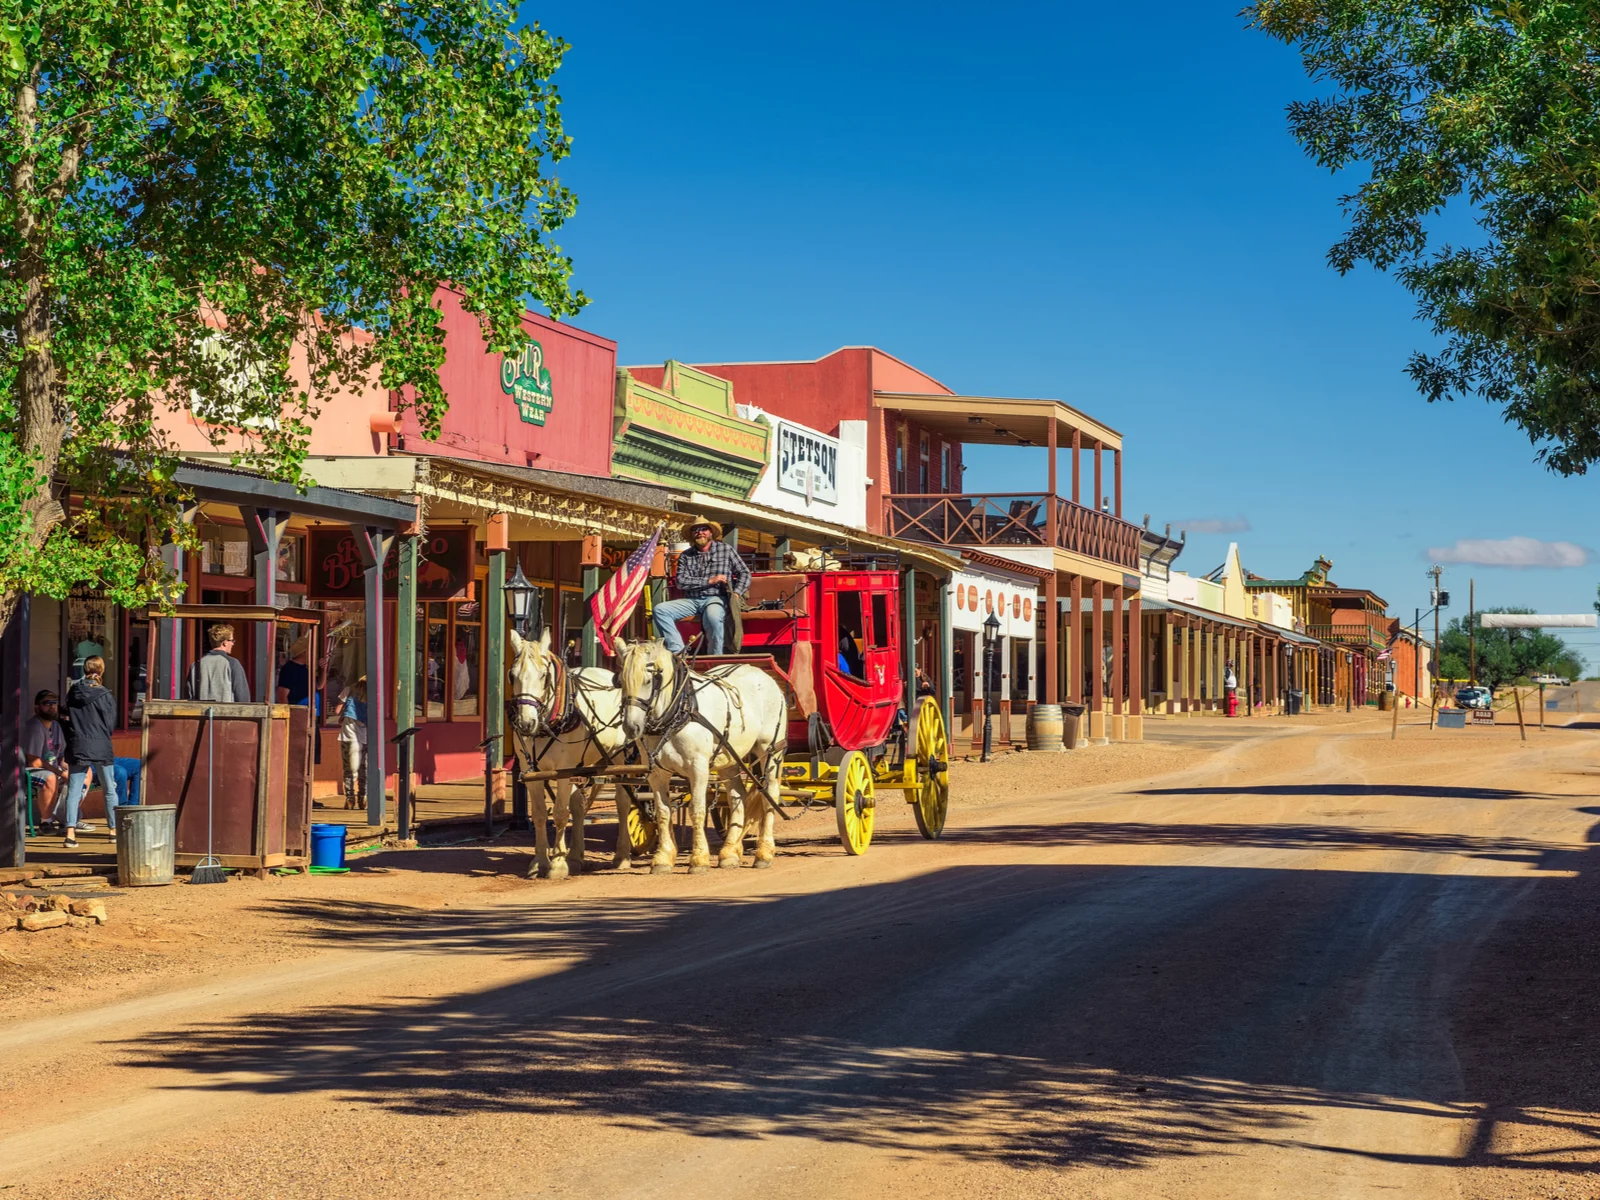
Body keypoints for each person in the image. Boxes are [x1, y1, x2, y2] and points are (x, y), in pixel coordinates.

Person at [651, 518, 751, 654]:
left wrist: (737, 593)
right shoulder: (686, 555)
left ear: (711, 532)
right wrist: (710, 580)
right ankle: (678, 653)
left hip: (716, 598)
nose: (700, 533)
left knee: (713, 617)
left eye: (703, 529)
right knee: (660, 609)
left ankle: (714, 659)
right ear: (692, 535)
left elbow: (744, 573)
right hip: (691, 600)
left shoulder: (725, 550)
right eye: (695, 530)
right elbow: (681, 582)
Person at [62, 656, 118, 847]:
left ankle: (70, 833)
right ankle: (113, 830)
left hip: (78, 744)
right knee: (109, 789)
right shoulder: (104, 695)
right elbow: (111, 723)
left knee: (74, 790)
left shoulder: (73, 692)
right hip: (101, 745)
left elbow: (67, 717)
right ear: (101, 671)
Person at [24, 690, 67, 831]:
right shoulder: (35, 727)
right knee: (50, 778)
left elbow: (61, 755)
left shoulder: (56, 726)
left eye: (54, 702)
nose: (52, 706)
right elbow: (34, 762)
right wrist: (60, 773)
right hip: (28, 771)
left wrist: (68, 769)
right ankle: (46, 823)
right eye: (47, 703)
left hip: (53, 769)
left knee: (82, 774)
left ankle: (67, 819)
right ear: (37, 708)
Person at [186, 623, 252, 703]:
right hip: (226, 714)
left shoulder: (196, 665)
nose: (233, 643)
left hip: (201, 714)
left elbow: (188, 696)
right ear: (224, 642)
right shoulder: (232, 663)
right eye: (232, 640)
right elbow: (242, 696)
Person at [336, 676, 368, 809]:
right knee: (364, 768)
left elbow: (337, 710)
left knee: (348, 769)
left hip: (347, 736)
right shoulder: (374, 694)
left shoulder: (348, 690)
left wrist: (344, 713)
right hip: (366, 736)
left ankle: (349, 799)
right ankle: (363, 798)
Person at [276, 635, 310, 705]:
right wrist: (287, 715)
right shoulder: (289, 669)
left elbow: (319, 686)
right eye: (311, 650)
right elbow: (282, 695)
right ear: (304, 652)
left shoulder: (306, 668)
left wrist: (323, 670)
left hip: (309, 713)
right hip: (297, 712)